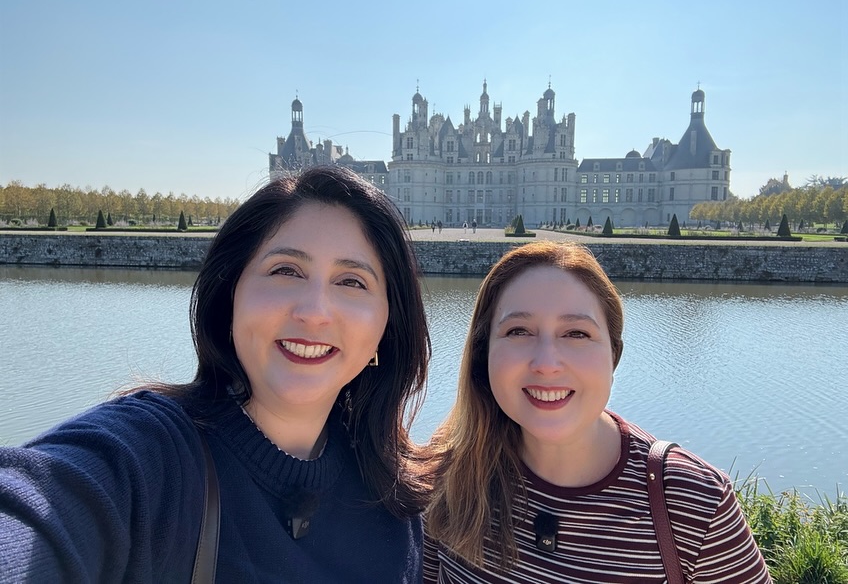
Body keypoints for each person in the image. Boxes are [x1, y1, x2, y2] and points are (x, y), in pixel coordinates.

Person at [0, 165, 431, 582]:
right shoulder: (152, 459)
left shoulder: (391, 499)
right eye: (286, 271)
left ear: (387, 325)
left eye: (352, 281)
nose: (315, 312)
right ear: (230, 296)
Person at [423, 241, 771, 583]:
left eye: (576, 333)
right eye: (518, 331)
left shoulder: (692, 501)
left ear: (613, 356)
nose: (546, 363)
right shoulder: (445, 473)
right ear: (484, 355)